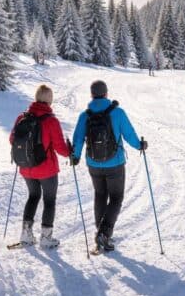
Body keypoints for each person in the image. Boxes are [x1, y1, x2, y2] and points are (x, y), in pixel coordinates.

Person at [71, 80, 146, 253]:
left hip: (93, 163)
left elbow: (78, 139)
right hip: (115, 163)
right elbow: (129, 134)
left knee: (100, 195)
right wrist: (140, 145)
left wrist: (75, 156)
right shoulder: (117, 112)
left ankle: (100, 231)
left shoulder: (85, 115)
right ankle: (104, 233)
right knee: (116, 197)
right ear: (106, 93)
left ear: (91, 95)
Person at [9, 84, 70, 248]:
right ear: (50, 100)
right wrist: (70, 152)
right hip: (46, 169)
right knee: (49, 200)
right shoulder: (51, 120)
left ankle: (26, 234)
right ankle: (46, 237)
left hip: (26, 168)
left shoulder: (22, 117)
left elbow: (12, 140)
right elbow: (60, 148)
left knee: (33, 196)